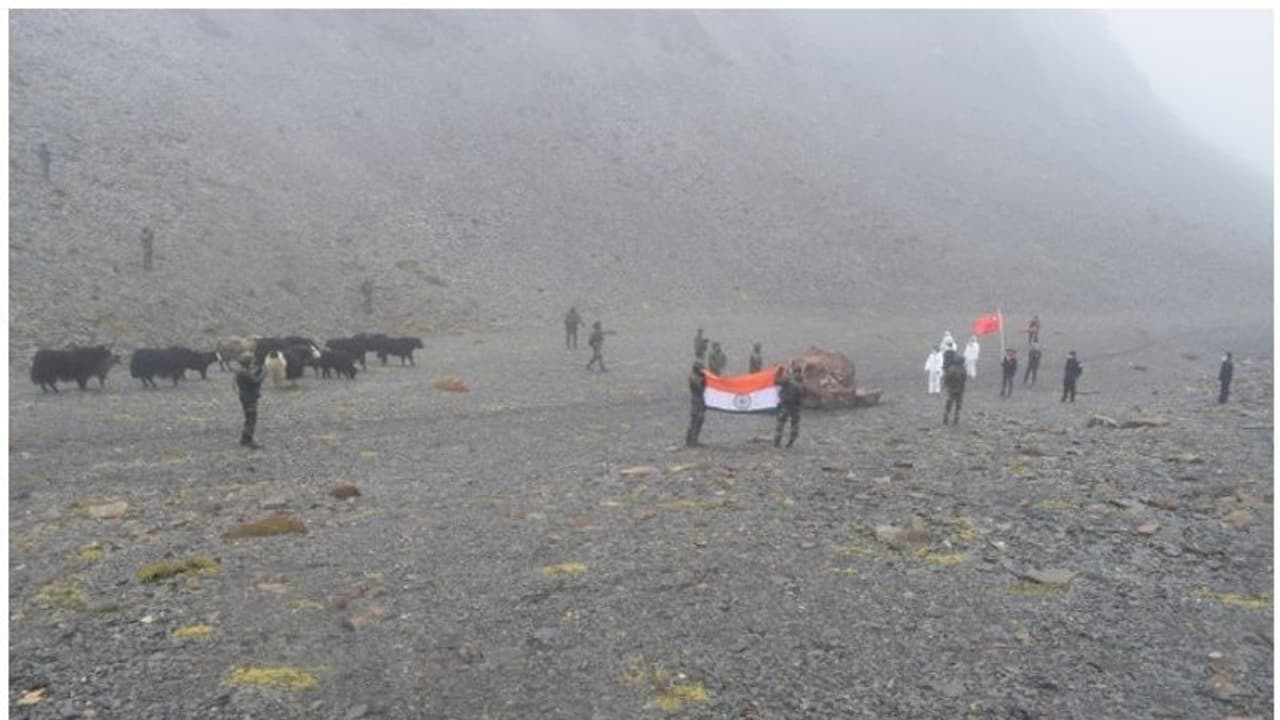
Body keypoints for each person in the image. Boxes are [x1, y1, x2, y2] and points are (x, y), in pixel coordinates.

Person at [233, 354, 266, 449]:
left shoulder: (241, 371)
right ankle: (249, 440)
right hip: (249, 399)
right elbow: (256, 381)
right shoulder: (244, 372)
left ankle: (244, 439)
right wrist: (264, 373)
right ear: (248, 363)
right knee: (251, 419)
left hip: (245, 397)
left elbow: (251, 377)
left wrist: (258, 370)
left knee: (248, 418)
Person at [774, 364, 803, 448]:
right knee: (793, 425)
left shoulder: (788, 382)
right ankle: (790, 442)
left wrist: (779, 371)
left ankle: (778, 443)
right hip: (794, 407)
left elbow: (776, 381)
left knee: (781, 424)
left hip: (787, 406)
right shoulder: (800, 384)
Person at [943, 349, 967, 424]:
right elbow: (964, 379)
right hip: (960, 390)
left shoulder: (951, 369)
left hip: (951, 389)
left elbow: (947, 378)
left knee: (949, 404)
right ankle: (956, 418)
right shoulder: (963, 369)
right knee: (958, 405)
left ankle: (946, 418)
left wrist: (947, 386)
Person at [686, 361, 707, 447]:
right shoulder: (694, 377)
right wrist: (704, 378)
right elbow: (699, 386)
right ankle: (690, 440)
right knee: (695, 421)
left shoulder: (698, 376)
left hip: (700, 401)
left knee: (699, 420)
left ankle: (694, 439)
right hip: (696, 402)